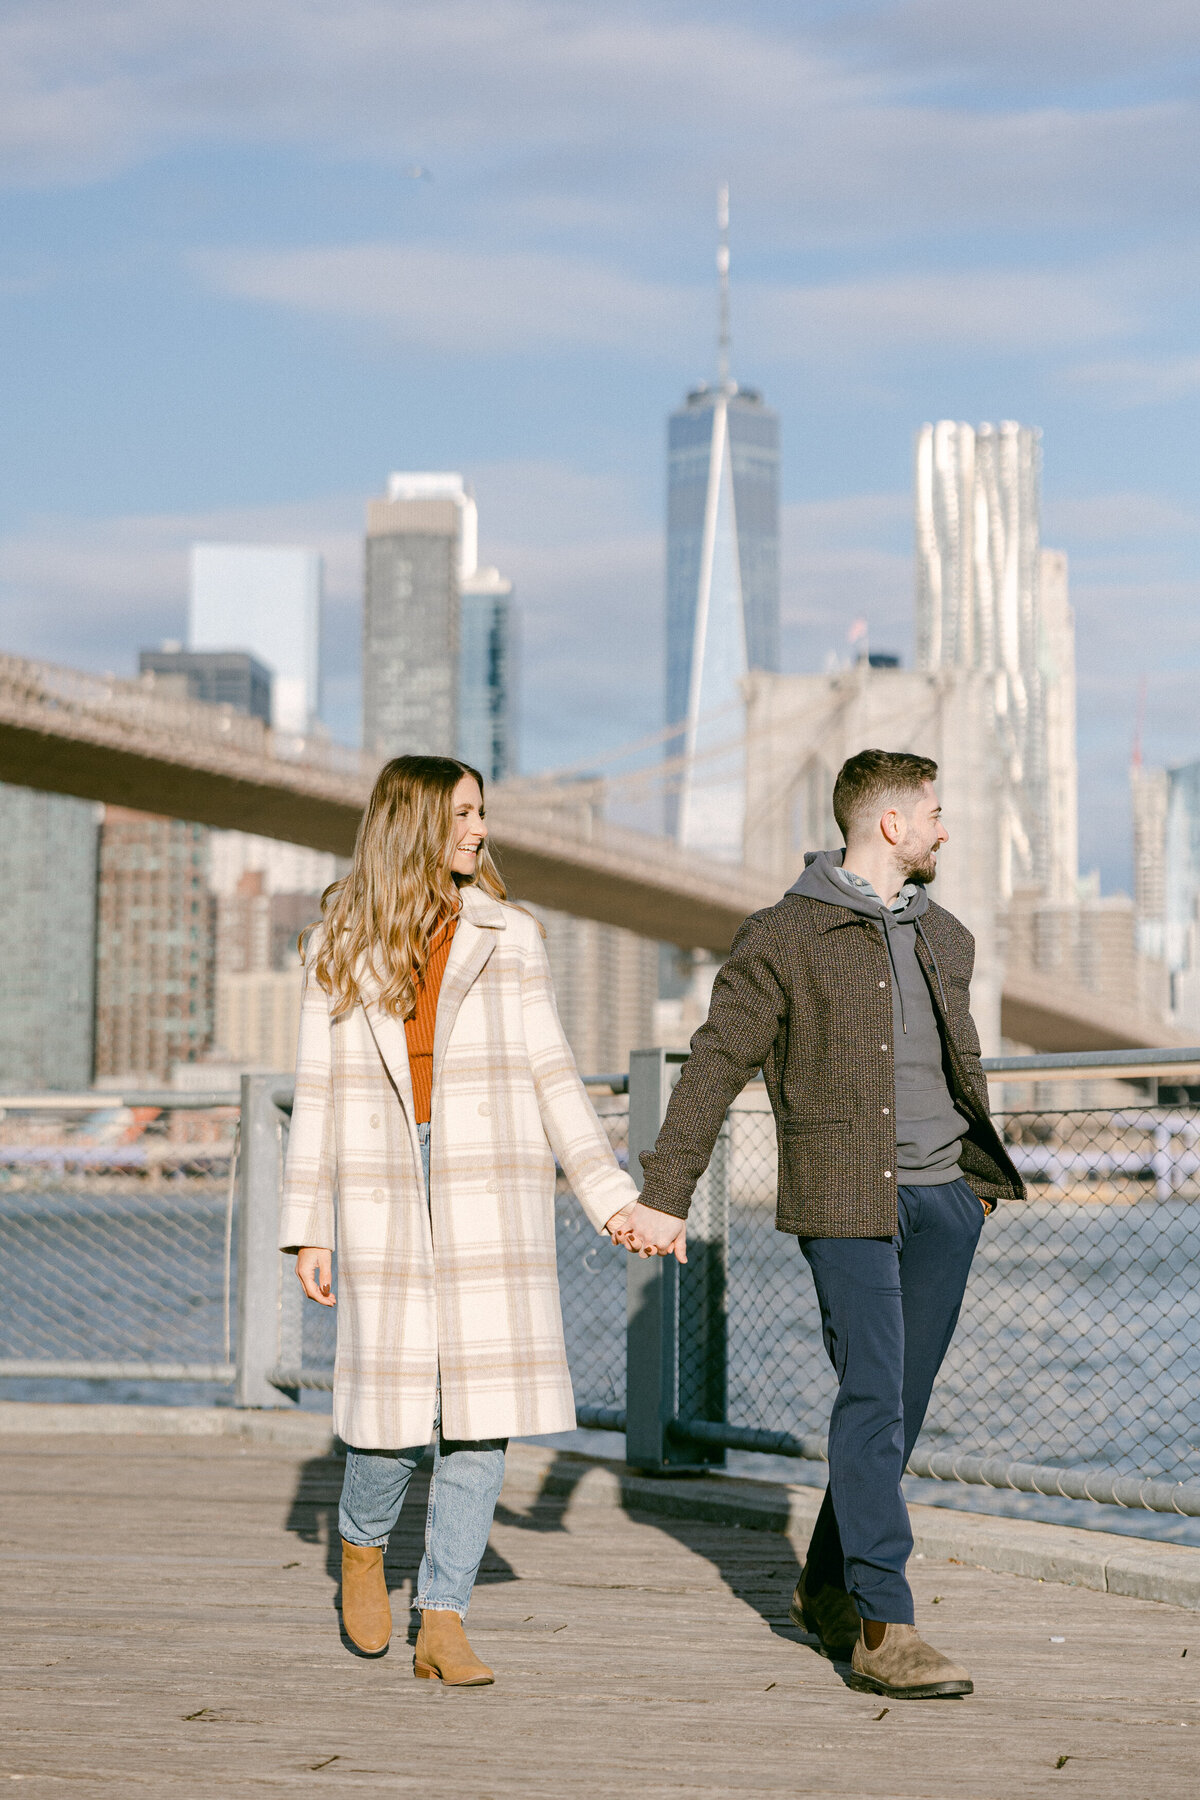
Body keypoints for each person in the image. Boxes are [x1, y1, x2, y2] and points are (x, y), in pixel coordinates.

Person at [617, 749, 1024, 1700]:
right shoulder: (782, 938)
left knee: (899, 1410)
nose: (942, 828)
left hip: (944, 1203)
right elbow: (717, 1063)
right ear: (889, 825)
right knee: (874, 1393)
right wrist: (665, 1193)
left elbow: (954, 1068)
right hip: (846, 1202)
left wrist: (975, 1187)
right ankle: (884, 1623)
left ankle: (820, 1587)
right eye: (932, 812)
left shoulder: (947, 936)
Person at [280, 755, 638, 1684]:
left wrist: (610, 1196)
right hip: (381, 1182)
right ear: (416, 822)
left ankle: (443, 1618)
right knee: (393, 1417)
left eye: (483, 813)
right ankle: (363, 1544)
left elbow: (554, 1075)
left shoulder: (512, 934)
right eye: (466, 813)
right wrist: (306, 1225)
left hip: (489, 1181)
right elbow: (315, 1094)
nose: (481, 829)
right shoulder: (336, 942)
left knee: (484, 1417)